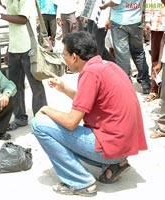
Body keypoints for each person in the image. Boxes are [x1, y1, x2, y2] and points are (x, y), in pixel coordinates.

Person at [31, 31, 148, 197]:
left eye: (64, 54)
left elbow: (71, 121)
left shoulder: (90, 73)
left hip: (112, 145)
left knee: (39, 124)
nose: (63, 58)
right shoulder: (107, 65)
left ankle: (81, 182)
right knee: (56, 126)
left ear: (74, 57)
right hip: (124, 146)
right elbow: (90, 102)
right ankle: (116, 164)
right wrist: (64, 88)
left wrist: (46, 109)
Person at [0, 0, 48, 131]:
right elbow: (14, 28)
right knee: (15, 87)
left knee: (36, 86)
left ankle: (42, 121)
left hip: (29, 48)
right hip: (15, 48)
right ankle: (20, 118)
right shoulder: (10, 1)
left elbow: (23, 19)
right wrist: (9, 49)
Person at [100, 0, 151, 94]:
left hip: (120, 22)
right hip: (136, 21)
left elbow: (115, 2)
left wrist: (103, 6)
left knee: (122, 55)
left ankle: (126, 84)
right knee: (138, 52)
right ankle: (146, 84)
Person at [143, 0, 165, 102]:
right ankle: (154, 89)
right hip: (158, 25)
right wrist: (147, 22)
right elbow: (149, 3)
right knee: (156, 58)